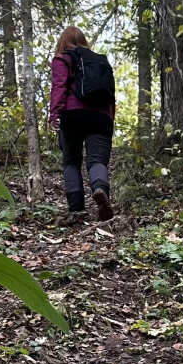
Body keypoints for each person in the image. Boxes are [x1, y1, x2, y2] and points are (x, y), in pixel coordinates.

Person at [49, 25, 115, 221]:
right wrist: (109, 118)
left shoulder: (62, 59)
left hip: (73, 114)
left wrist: (54, 114)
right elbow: (110, 93)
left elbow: (59, 86)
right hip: (101, 116)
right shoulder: (100, 61)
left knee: (71, 161)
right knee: (97, 160)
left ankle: (76, 208)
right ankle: (100, 189)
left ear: (63, 42)